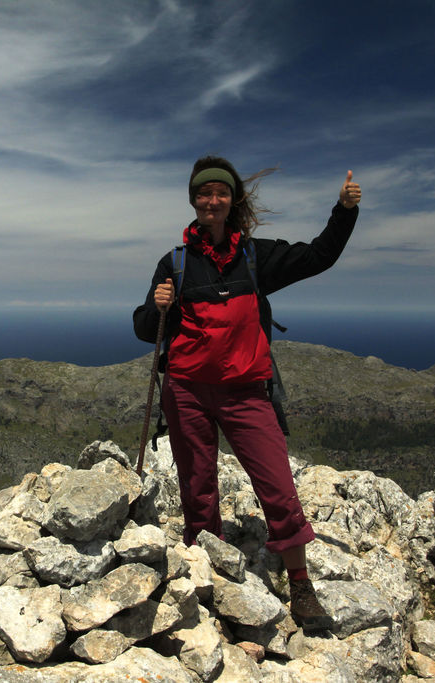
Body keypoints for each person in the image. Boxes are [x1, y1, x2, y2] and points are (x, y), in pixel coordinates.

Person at [133, 156, 361, 632]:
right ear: (194, 201)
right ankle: (203, 573)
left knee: (277, 484)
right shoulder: (174, 263)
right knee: (197, 488)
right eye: (203, 193)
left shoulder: (256, 257)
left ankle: (299, 583)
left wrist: (343, 212)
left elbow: (318, 256)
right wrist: (153, 306)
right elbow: (144, 329)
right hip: (187, 392)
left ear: (232, 200)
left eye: (220, 192)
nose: (211, 200)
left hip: (245, 392)